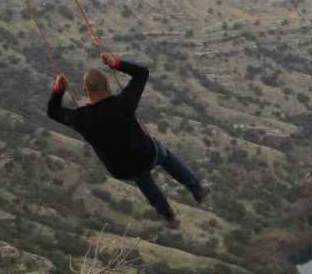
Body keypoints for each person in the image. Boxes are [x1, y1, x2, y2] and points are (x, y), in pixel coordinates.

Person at [47, 51, 207, 228]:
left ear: (85, 91)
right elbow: (142, 72)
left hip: (120, 169)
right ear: (107, 86)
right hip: (146, 155)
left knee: (141, 176)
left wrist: (59, 90)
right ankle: (196, 189)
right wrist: (116, 64)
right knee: (164, 154)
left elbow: (53, 112)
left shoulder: (81, 118)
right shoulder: (123, 103)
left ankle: (167, 215)